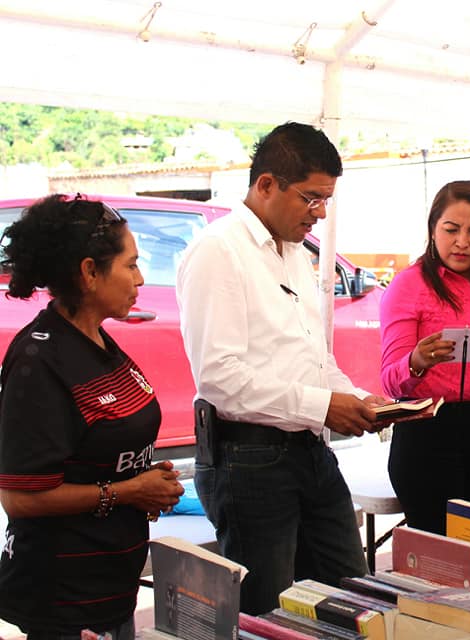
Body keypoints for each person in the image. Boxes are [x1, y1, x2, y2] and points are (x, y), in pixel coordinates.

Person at [176, 122, 386, 615]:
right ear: (266, 184)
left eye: (327, 200)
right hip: (249, 458)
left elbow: (311, 355)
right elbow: (221, 380)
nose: (320, 214)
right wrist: (324, 405)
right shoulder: (219, 251)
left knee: (351, 601)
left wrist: (353, 398)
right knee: (267, 612)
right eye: (311, 199)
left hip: (308, 450)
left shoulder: (291, 249)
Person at [0, 195, 184, 639]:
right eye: (132, 265)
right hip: (64, 599)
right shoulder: (38, 359)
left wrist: (145, 480)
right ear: (89, 272)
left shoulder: (100, 343)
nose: (141, 279)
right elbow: (19, 498)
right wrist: (128, 490)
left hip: (112, 587)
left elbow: (101, 449)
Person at [379, 180, 470, 535]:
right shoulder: (409, 285)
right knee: (440, 560)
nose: (462, 242)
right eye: (451, 230)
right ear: (432, 229)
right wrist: (417, 361)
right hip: (429, 429)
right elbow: (390, 378)